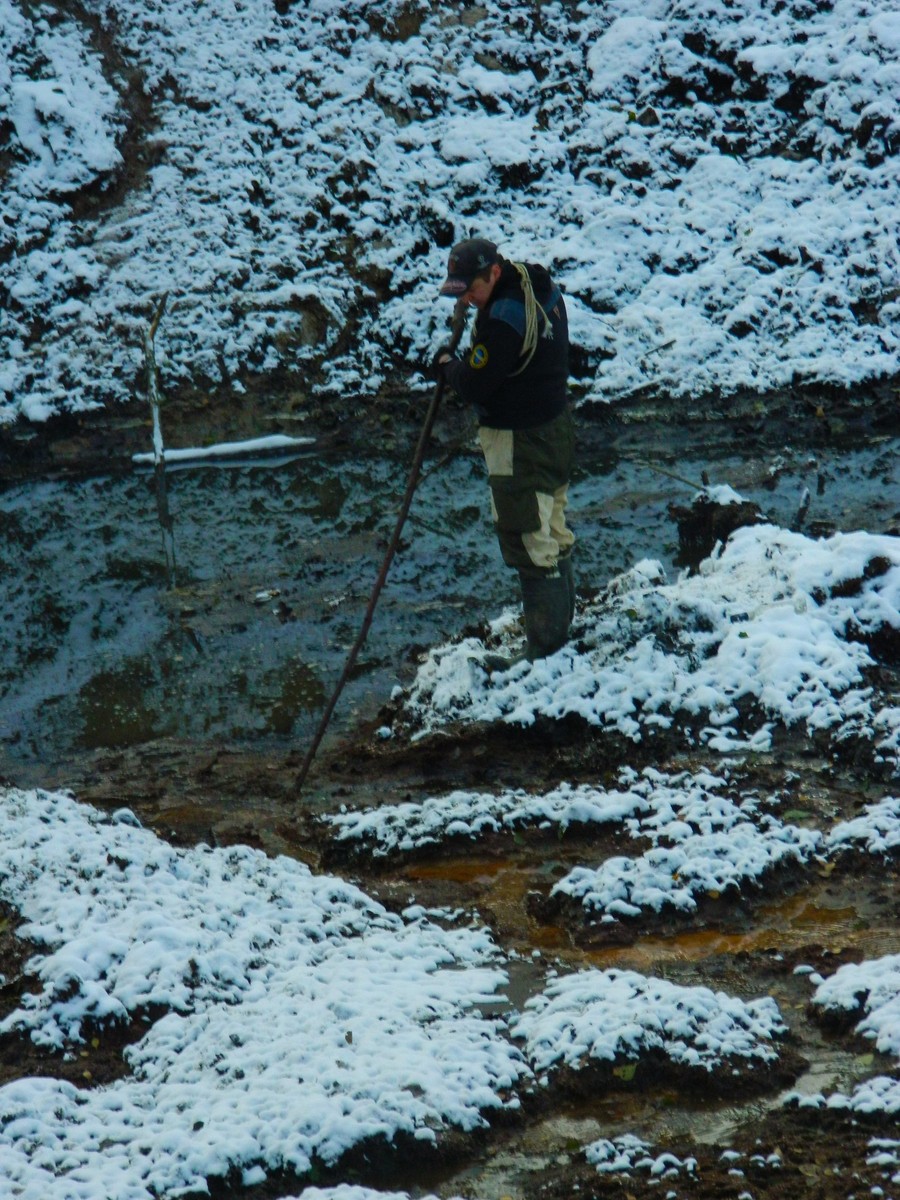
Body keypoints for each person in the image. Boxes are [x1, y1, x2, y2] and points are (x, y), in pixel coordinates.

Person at [434, 237, 576, 664]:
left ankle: (543, 650)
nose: (469, 300)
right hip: (554, 426)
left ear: (494, 273)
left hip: (519, 440)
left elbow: (474, 383)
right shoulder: (536, 286)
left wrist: (447, 366)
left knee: (528, 537)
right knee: (553, 528)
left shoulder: (503, 319)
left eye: (473, 290)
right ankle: (557, 637)